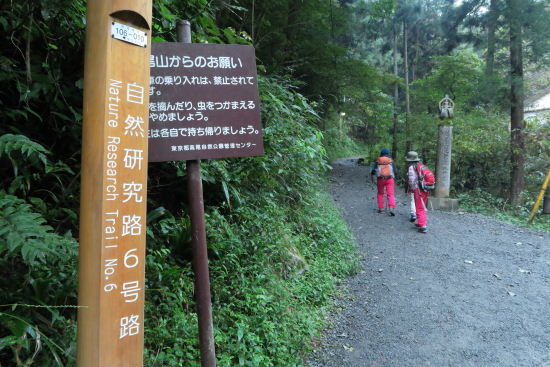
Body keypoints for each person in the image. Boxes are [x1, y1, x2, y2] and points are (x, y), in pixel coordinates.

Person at [405, 151, 428, 233]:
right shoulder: (421, 165)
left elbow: (411, 181)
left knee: (418, 207)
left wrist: (411, 189)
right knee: (422, 206)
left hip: (417, 189)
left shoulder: (411, 167)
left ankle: (422, 226)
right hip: (425, 188)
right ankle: (422, 222)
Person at [371, 147, 398, 216]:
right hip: (390, 179)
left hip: (380, 179)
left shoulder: (378, 161)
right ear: (388, 153)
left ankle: (381, 208)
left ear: (381, 153)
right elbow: (395, 171)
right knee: (390, 193)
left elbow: (373, 171)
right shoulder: (391, 160)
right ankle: (391, 208)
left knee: (380, 193)